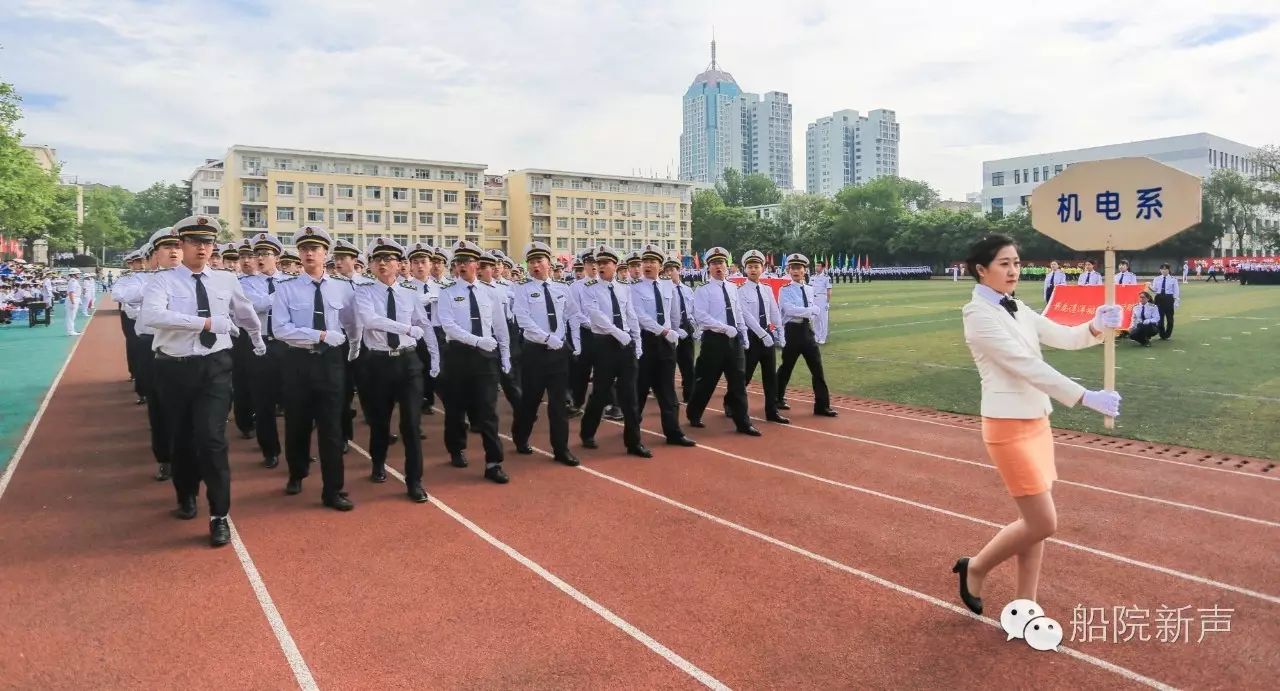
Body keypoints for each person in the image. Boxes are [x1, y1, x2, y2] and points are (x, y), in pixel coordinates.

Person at [952, 234, 1122, 614]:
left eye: (1016, 262)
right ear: (981, 270)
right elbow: (1026, 366)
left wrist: (1094, 326)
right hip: (1007, 427)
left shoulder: (1017, 306)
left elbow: (1060, 335)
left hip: (1037, 421)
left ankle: (1025, 604)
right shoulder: (977, 316)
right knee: (1043, 522)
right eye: (1004, 264)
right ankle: (975, 567)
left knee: (1032, 522)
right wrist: (1084, 396)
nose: (1013, 270)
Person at [138, 215, 265, 547]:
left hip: (215, 369)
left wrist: (256, 337)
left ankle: (219, 514)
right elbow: (151, 316)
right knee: (181, 438)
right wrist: (206, 324)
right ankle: (186, 493)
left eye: (208, 242)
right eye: (195, 242)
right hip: (174, 369)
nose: (202, 248)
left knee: (211, 438)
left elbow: (245, 311)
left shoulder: (226, 279)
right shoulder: (162, 281)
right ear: (182, 245)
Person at [270, 225, 359, 510]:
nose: (310, 253)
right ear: (299, 254)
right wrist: (319, 335)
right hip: (297, 362)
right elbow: (280, 330)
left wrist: (353, 347)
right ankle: (297, 472)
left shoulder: (343, 288)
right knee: (297, 423)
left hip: (331, 362)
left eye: (315, 249)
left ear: (325, 254)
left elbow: (351, 322)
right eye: (305, 249)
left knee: (332, 427)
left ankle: (334, 490)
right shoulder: (285, 288)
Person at [355, 236, 437, 502]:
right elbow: (369, 321)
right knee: (379, 422)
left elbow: (424, 326)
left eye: (388, 259)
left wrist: (435, 357)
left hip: (407, 362)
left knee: (411, 425)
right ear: (370, 265)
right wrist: (404, 328)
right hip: (378, 363)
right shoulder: (364, 292)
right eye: (377, 259)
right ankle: (378, 463)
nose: (382, 263)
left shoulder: (410, 294)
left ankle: (415, 480)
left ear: (399, 264)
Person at [436, 240, 512, 483]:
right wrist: (477, 341)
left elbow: (500, 327)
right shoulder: (447, 293)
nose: (461, 266)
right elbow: (448, 326)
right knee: (456, 408)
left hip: (485, 359)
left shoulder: (491, 293)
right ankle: (457, 448)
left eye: (466, 262)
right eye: (458, 262)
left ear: (476, 265)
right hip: (458, 356)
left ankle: (493, 462)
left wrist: (506, 355)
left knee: (488, 410)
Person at [510, 241, 582, 466]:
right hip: (535, 353)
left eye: (539, 261)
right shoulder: (522, 289)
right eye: (531, 262)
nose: (535, 266)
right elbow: (523, 320)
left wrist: (574, 342)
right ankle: (521, 437)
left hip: (558, 353)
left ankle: (561, 449)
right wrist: (547, 338)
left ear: (549, 263)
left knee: (558, 404)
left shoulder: (562, 289)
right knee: (530, 401)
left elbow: (572, 315)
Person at [577, 244, 650, 457]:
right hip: (605, 345)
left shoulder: (624, 288)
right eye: (598, 263)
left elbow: (631, 315)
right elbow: (596, 315)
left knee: (630, 396)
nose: (600, 267)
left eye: (605, 263)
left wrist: (637, 342)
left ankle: (633, 442)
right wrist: (618, 334)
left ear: (615, 265)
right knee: (600, 393)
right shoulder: (590, 288)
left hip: (626, 346)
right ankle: (587, 432)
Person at [685, 247, 761, 437]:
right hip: (714, 341)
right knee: (707, 382)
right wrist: (723, 327)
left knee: (738, 383)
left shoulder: (733, 288)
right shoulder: (703, 290)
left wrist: (743, 334)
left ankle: (743, 422)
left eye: (721, 263)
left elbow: (738, 313)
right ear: (708, 267)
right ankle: (694, 413)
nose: (718, 267)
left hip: (734, 341)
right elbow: (700, 315)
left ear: (727, 266)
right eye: (714, 263)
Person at [631, 243, 696, 447]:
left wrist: (674, 331)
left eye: (652, 262)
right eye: (645, 262)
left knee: (668, 391)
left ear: (660, 265)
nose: (648, 265)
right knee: (640, 391)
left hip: (666, 344)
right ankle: (633, 436)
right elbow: (639, 316)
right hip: (646, 342)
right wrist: (665, 331)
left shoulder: (668, 286)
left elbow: (674, 312)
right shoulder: (634, 288)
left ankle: (673, 432)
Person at [239, 232, 288, 469]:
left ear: (277, 257)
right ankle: (270, 449)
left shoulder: (291, 281)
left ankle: (297, 449)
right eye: (257, 254)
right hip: (259, 346)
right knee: (263, 401)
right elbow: (253, 306)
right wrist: (281, 294)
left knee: (295, 400)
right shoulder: (244, 283)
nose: (260, 258)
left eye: (266, 254)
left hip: (287, 346)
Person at [726, 249, 789, 424]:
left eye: (756, 266)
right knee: (745, 375)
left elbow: (774, 311)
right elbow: (746, 316)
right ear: (745, 269)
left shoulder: (767, 289)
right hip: (752, 337)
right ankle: (730, 402)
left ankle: (771, 410)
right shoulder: (740, 290)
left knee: (770, 376)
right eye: (750, 267)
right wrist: (762, 334)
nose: (753, 270)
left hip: (767, 335)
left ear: (762, 268)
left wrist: (779, 331)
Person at [775, 254, 838, 418]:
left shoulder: (809, 289)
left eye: (799, 268)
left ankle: (822, 405)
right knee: (786, 368)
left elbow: (813, 310)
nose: (796, 271)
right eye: (792, 268)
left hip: (806, 331)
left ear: (805, 270)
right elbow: (789, 310)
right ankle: (777, 398)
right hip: (792, 331)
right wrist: (810, 311)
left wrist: (810, 311)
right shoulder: (785, 290)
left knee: (817, 369)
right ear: (788, 270)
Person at [665, 255, 697, 404]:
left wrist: (695, 327)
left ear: (679, 270)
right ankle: (669, 398)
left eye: (672, 269)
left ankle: (689, 396)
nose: (669, 273)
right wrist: (675, 329)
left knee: (688, 365)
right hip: (670, 332)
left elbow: (692, 310)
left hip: (687, 330)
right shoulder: (663, 290)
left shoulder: (687, 290)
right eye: (667, 270)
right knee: (669, 367)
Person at [1150, 263, 1181, 340]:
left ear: (1168, 270)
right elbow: (1155, 289)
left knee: (1169, 319)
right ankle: (1162, 334)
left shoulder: (1173, 279)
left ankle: (1167, 334)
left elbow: (1176, 291)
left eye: (1165, 269)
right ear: (1160, 270)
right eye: (1162, 269)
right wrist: (1149, 286)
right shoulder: (1156, 279)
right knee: (1159, 318)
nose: (1164, 271)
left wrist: (1176, 301)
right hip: (1159, 299)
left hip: (1168, 299)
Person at [811, 260, 832, 344]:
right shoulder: (812, 277)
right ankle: (816, 336)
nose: (816, 267)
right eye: (816, 265)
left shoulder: (827, 277)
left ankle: (823, 337)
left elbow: (829, 291)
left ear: (823, 267)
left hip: (822, 298)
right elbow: (809, 288)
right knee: (815, 319)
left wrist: (827, 302)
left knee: (823, 319)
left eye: (818, 266)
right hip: (813, 299)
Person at [63, 268, 82, 336]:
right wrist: (73, 302)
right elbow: (71, 292)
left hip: (74, 299)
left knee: (72, 316)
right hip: (72, 299)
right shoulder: (73, 281)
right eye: (77, 273)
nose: (79, 274)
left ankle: (72, 330)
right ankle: (70, 331)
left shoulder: (74, 281)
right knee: (70, 316)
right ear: (73, 274)